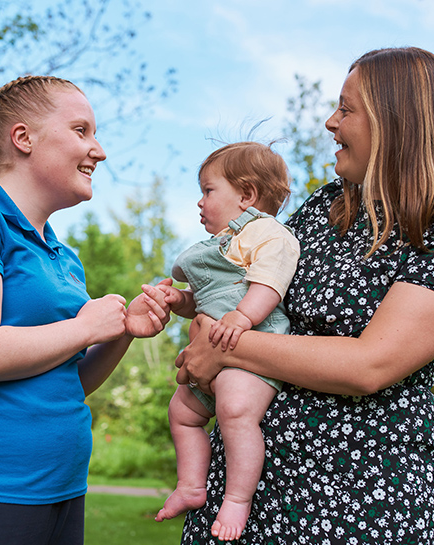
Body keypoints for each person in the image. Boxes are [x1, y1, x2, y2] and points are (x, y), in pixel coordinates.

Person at [171, 47, 434, 544]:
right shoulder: (330, 204)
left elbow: (369, 365)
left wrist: (219, 345)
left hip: (355, 499)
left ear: (396, 122)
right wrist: (195, 307)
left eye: (346, 109)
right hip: (255, 489)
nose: (330, 122)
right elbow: (261, 291)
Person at [0, 75, 170, 545]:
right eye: (81, 131)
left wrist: (121, 333)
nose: (100, 150)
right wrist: (85, 327)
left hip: (63, 489)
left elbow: (71, 380)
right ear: (24, 138)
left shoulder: (64, 258)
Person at [153, 142, 300, 541]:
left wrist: (244, 315)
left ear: (247, 195)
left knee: (235, 412)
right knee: (182, 414)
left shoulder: (270, 235)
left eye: (208, 190)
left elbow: (269, 282)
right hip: (214, 352)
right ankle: (191, 485)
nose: (199, 202)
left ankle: (236, 499)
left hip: (251, 347)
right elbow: (204, 300)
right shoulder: (219, 245)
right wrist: (178, 300)